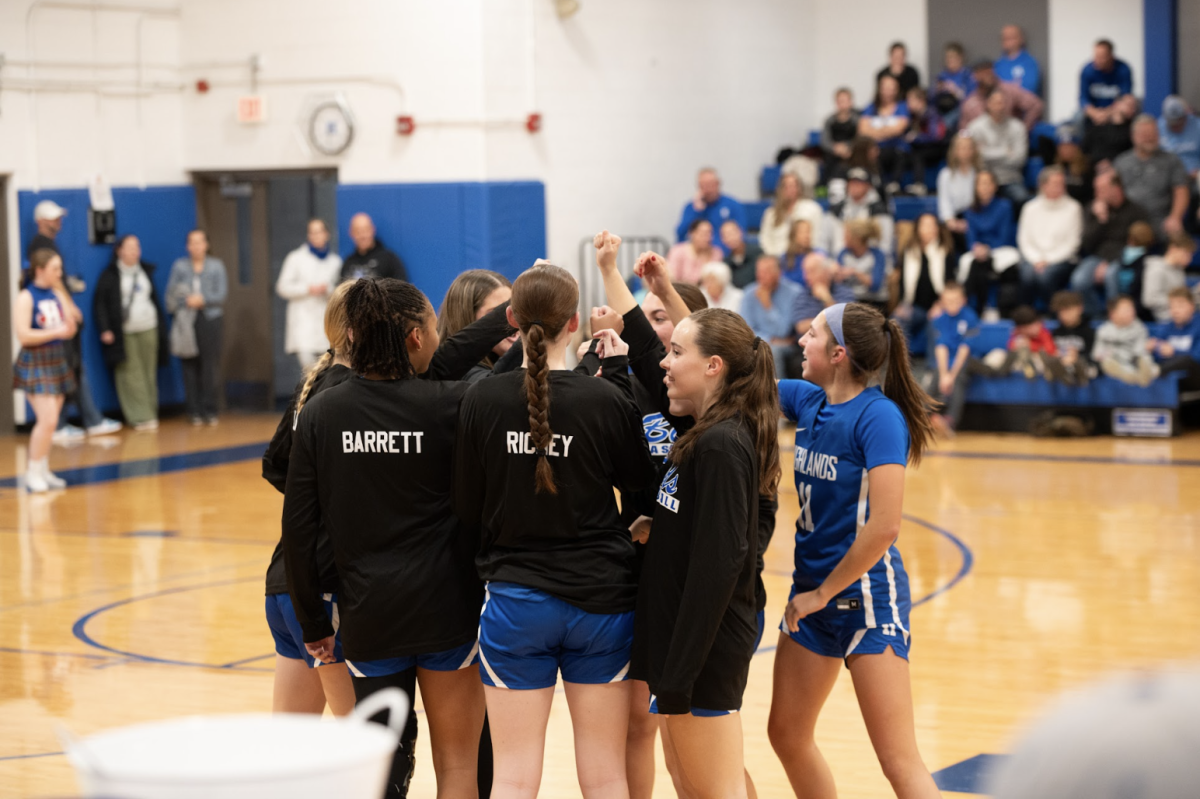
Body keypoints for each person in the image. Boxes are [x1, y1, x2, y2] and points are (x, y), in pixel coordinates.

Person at [267, 279, 517, 796]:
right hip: (448, 609)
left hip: (369, 615)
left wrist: (314, 622)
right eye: (431, 326)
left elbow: (298, 528)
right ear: (416, 339)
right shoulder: (452, 402)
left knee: (377, 774)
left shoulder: (322, 412)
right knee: (457, 767)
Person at [454, 262, 658, 799]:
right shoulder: (606, 399)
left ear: (512, 320)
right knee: (606, 774)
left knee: (514, 777)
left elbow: (467, 505)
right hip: (602, 601)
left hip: (516, 600)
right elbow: (641, 484)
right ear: (575, 323)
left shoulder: (481, 399)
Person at [769, 301, 940, 799]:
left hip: (864, 600)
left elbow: (885, 526)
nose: (802, 339)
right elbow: (725, 359)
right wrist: (669, 294)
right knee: (787, 735)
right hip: (814, 598)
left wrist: (821, 593)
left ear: (839, 353)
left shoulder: (879, 416)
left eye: (814, 334)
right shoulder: (807, 400)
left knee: (898, 761)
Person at [628, 257, 782, 799]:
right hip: (680, 646)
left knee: (714, 791)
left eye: (675, 352)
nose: (663, 364)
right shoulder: (705, 432)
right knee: (692, 784)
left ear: (714, 366)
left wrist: (680, 674)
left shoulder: (720, 444)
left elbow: (719, 565)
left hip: (700, 654)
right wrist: (664, 524)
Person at [585, 233, 719, 799]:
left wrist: (649, 286)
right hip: (641, 569)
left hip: (694, 577)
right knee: (646, 728)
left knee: (701, 743)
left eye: (665, 320)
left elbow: (658, 330)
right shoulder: (634, 384)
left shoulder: (704, 403)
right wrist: (609, 269)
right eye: (650, 320)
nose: (649, 326)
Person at [263, 282, 357, 721]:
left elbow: (276, 465)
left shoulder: (313, 380)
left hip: (285, 583)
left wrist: (310, 503)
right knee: (362, 739)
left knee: (291, 741)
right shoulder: (351, 393)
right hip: (322, 587)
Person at [27, 200, 122, 442]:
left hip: (58, 322)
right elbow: (55, 282)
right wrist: (69, 306)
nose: (58, 221)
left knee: (74, 368)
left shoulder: (49, 245)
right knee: (66, 368)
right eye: (52, 217)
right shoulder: (41, 246)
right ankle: (62, 425)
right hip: (54, 326)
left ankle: (84, 420)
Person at [13, 249, 77, 492]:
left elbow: (69, 326)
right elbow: (24, 335)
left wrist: (68, 328)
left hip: (56, 357)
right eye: (55, 269)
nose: (59, 274)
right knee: (47, 419)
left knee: (52, 421)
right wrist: (56, 332)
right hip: (35, 360)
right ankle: (32, 471)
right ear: (40, 270)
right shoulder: (26, 297)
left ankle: (43, 468)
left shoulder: (57, 295)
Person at [93, 235, 169, 431]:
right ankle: (139, 416)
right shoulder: (109, 275)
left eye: (137, 246)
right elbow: (99, 304)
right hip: (124, 332)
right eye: (130, 247)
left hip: (148, 327)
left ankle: (151, 411)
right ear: (119, 250)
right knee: (130, 374)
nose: (135, 251)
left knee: (148, 372)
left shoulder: (145, 271)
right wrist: (105, 329)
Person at [166, 229, 228, 426]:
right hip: (186, 319)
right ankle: (193, 410)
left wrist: (203, 300)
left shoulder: (216, 266)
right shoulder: (179, 266)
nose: (196, 246)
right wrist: (186, 302)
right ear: (187, 246)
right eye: (192, 242)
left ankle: (210, 408)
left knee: (209, 364)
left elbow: (222, 295)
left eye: (200, 242)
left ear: (206, 244)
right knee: (189, 364)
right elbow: (171, 294)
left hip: (209, 318)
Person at [1070, 171, 1151, 316]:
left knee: (1111, 274)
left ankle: (1115, 316)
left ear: (1116, 188)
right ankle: (1096, 316)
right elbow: (1086, 244)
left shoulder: (1136, 211)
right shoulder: (1093, 209)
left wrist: (1111, 261)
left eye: (1101, 189)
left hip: (1126, 259)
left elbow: (1140, 244)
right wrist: (1101, 219)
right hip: (1097, 257)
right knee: (1079, 279)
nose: (1097, 193)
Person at [276, 219, 343, 371]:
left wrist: (327, 289)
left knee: (327, 371)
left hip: (325, 324)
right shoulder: (295, 258)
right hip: (303, 325)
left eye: (319, 232)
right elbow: (282, 287)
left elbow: (339, 290)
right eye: (312, 232)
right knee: (310, 373)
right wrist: (308, 289)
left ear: (327, 234)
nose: (315, 236)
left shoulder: (335, 262)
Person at [1113, 115, 1190, 238]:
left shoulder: (1171, 160)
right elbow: (1112, 190)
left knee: (1178, 237)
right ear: (1134, 136)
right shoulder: (1121, 162)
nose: (1150, 137)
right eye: (1145, 134)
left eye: (1153, 133)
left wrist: (1175, 217)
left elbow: (1181, 190)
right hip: (1128, 219)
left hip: (1160, 219)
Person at [1017, 166, 1084, 306]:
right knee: (1026, 276)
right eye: (1055, 184)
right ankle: (1027, 315)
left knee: (1045, 277)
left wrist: (1048, 260)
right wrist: (1036, 260)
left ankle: (1053, 313)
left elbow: (1073, 243)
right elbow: (1024, 240)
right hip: (1033, 258)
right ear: (1043, 185)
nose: (1060, 187)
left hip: (1062, 259)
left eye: (1062, 184)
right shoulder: (1030, 208)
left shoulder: (1073, 208)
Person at [960, 171, 1022, 317]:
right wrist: (976, 247)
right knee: (974, 264)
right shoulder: (970, 210)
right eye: (981, 184)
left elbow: (1004, 236)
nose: (984, 187)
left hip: (1001, 250)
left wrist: (987, 248)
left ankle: (1000, 309)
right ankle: (976, 309)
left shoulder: (1004, 206)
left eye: (988, 183)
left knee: (1004, 263)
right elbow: (971, 238)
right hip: (979, 252)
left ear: (994, 186)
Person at [436, 269, 517, 382]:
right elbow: (492, 387)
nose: (514, 323)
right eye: (497, 314)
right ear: (467, 318)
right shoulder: (456, 373)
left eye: (516, 311)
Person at [927, 282, 980, 434]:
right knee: (936, 379)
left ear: (963, 300)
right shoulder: (939, 319)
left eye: (955, 300)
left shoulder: (970, 317)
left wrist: (951, 375)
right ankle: (920, 418)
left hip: (967, 360)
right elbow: (941, 347)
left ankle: (950, 421)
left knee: (958, 379)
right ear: (942, 301)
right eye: (948, 301)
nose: (952, 304)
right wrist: (944, 374)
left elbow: (965, 349)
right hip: (946, 359)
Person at [741, 255, 803, 380]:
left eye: (766, 271)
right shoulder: (749, 293)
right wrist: (768, 339)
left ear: (778, 273)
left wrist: (768, 305)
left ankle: (777, 393)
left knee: (771, 351)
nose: (760, 275)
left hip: (786, 346)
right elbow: (745, 329)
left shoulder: (794, 292)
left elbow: (783, 330)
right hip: (757, 341)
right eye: (759, 271)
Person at [894, 213, 953, 344]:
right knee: (897, 319)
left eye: (933, 225)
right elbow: (903, 282)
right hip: (914, 306)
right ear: (917, 229)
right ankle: (900, 362)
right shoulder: (909, 251)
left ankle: (934, 364)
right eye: (926, 225)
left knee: (937, 320)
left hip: (940, 305)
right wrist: (902, 304)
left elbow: (950, 284)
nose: (930, 229)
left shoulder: (945, 251)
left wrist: (940, 304)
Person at [966, 89, 1030, 205]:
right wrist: (1005, 152)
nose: (999, 106)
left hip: (1009, 178)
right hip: (983, 179)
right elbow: (976, 157)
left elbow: (1019, 160)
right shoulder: (975, 127)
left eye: (1002, 102)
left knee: (1022, 199)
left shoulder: (1018, 127)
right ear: (988, 104)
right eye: (996, 102)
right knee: (966, 200)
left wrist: (986, 152)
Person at [825, 167, 895, 259]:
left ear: (868, 186)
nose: (854, 186)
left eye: (859, 183)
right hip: (839, 263)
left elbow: (885, 246)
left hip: (871, 262)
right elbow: (823, 242)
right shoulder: (836, 210)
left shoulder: (880, 211)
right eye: (852, 182)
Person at [859, 75, 911, 194]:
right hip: (876, 149)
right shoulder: (871, 107)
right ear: (879, 89)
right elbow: (862, 130)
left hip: (897, 149)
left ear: (897, 90)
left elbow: (899, 128)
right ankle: (878, 185)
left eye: (892, 88)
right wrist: (887, 130)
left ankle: (894, 184)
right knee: (872, 153)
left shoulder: (902, 106)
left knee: (899, 152)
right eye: (885, 88)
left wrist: (875, 131)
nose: (888, 92)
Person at [1092, 295, 1158, 386]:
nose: (1132, 311)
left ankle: (1144, 374)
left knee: (1144, 357)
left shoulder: (1139, 327)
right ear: (1113, 314)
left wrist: (1146, 348)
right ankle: (1136, 377)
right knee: (1107, 363)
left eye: (1132, 308)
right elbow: (1097, 353)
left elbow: (1138, 351)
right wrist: (1108, 354)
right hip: (1116, 363)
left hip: (1133, 361)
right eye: (1127, 309)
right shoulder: (1103, 331)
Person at [960, 60, 1044, 131]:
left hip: (1009, 142)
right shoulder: (970, 103)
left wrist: (1023, 129)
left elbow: (1035, 105)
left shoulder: (1009, 90)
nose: (988, 76)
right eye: (984, 73)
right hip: (982, 146)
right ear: (975, 76)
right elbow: (964, 132)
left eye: (990, 71)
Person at [759, 173, 825, 258]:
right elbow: (765, 239)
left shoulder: (812, 209)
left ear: (799, 188)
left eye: (793, 186)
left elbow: (817, 237)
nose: (790, 189)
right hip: (776, 258)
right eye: (786, 186)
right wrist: (773, 257)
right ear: (780, 189)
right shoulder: (770, 213)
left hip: (803, 257)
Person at [790, 254, 857, 336]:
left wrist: (827, 299)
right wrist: (830, 321)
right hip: (806, 345)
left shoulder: (845, 292)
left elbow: (845, 323)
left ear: (826, 271)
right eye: (805, 272)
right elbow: (801, 327)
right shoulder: (803, 294)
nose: (806, 277)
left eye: (811, 271)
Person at [675, 168, 746, 243]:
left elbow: (740, 234)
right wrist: (696, 211)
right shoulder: (691, 207)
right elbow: (680, 235)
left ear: (718, 183)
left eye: (711, 184)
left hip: (725, 251)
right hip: (696, 252)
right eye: (704, 185)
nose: (708, 189)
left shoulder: (732, 205)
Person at [1149, 287, 1200, 388]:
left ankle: (1154, 371)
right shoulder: (1166, 327)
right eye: (1172, 307)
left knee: (1188, 360)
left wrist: (1174, 352)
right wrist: (1153, 348)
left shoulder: (1198, 325)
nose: (1175, 311)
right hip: (1171, 372)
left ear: (1192, 306)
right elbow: (1158, 352)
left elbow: (1196, 357)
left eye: (1180, 306)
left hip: (1195, 375)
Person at [1140, 231, 1197, 322]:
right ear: (1173, 249)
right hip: (1166, 317)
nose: (1189, 259)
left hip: (1184, 313)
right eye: (1186, 253)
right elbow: (1149, 300)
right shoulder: (1156, 270)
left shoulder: (1179, 270)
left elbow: (1179, 293)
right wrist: (1178, 302)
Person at [937, 132, 982, 242]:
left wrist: (972, 221)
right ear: (955, 151)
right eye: (961, 148)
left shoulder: (980, 173)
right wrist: (950, 221)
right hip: (954, 218)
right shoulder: (946, 174)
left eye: (968, 148)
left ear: (974, 150)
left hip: (977, 217)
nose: (965, 152)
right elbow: (944, 201)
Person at [902, 87, 947, 194]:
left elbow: (935, 136)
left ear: (921, 101)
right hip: (923, 148)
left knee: (918, 155)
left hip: (938, 148)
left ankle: (919, 185)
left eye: (911, 100)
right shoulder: (913, 116)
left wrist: (916, 138)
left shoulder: (931, 114)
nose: (908, 104)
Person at [339, 213, 408, 282]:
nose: (362, 236)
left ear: (373, 230)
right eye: (358, 231)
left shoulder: (389, 260)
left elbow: (402, 288)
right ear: (351, 233)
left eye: (365, 230)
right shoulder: (347, 263)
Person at [835, 219, 888, 306]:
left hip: (873, 301)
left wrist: (854, 272)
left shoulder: (877, 255)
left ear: (857, 239)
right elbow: (837, 281)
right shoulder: (843, 254)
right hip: (849, 300)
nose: (843, 238)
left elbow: (875, 286)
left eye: (846, 235)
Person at [1080, 40, 1134, 126]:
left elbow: (1126, 97)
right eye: (1096, 56)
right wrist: (1095, 113)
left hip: (1114, 110)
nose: (1098, 60)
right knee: (1077, 117)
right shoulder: (1087, 71)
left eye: (1102, 57)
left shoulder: (1123, 69)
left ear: (1111, 56)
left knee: (1124, 111)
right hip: (1095, 111)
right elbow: (1083, 99)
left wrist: (1107, 113)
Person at [1049, 291, 1095, 387]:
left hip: (1082, 366)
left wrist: (1077, 356)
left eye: (1068, 310)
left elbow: (1094, 355)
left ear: (1079, 308)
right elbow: (1051, 351)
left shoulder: (1089, 332)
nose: (1064, 315)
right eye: (1060, 311)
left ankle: (1077, 374)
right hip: (1061, 365)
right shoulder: (1055, 333)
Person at [1082, 94, 1137, 167]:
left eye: (1134, 106)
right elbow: (1085, 150)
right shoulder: (1098, 127)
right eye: (1129, 105)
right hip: (1095, 168)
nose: (1132, 109)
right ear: (1116, 104)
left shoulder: (1132, 131)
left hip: (1120, 169)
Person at [932, 42, 974, 131]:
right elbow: (931, 97)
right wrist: (937, 90)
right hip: (942, 108)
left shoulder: (967, 75)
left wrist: (955, 91)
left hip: (959, 109)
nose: (949, 60)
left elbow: (972, 98)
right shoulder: (942, 76)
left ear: (960, 58)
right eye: (947, 57)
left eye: (953, 57)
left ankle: (941, 127)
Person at [667, 219, 723, 285]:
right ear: (692, 233)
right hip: (681, 291)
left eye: (710, 233)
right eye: (703, 234)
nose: (708, 238)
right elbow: (672, 278)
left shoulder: (716, 253)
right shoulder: (678, 251)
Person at [821, 88, 861, 178]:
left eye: (845, 100)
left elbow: (859, 138)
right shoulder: (829, 120)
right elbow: (824, 140)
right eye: (839, 101)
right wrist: (834, 148)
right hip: (833, 152)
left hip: (851, 151)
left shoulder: (857, 120)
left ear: (851, 102)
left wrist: (847, 147)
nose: (842, 104)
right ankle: (824, 187)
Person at [1158, 95, 1200, 179]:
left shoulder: (1197, 125)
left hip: (1195, 175)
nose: (1176, 126)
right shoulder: (1157, 127)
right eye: (1172, 123)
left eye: (1179, 122)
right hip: (1166, 176)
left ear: (1185, 116)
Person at [995, 25, 1041, 94]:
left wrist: (1005, 87)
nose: (1008, 41)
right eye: (1005, 38)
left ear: (1021, 39)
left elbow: (1030, 88)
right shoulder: (997, 65)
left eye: (1012, 37)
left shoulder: (1030, 62)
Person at [720, 220, 764, 289]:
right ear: (723, 240)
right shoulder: (726, 262)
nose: (731, 238)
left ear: (740, 232)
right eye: (726, 235)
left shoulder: (757, 252)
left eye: (732, 233)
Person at [780, 219, 820, 283]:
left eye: (808, 232)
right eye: (802, 232)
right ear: (793, 235)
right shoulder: (785, 258)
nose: (807, 236)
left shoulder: (817, 255)